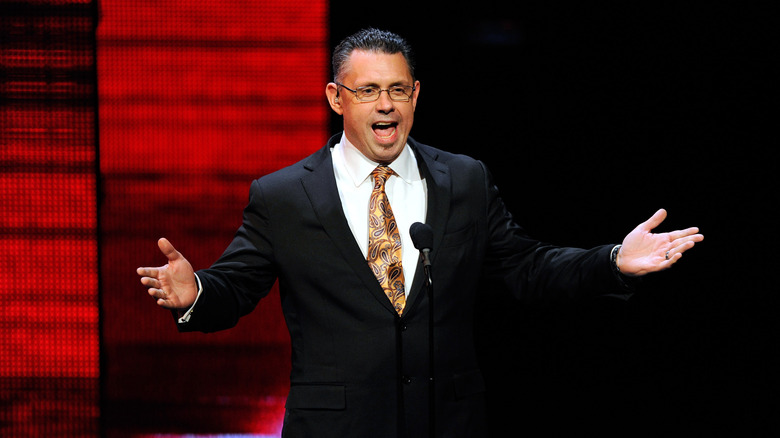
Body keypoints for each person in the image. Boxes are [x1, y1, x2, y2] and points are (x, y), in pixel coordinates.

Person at [137, 28, 703, 438]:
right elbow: (235, 289)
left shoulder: (464, 179)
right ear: (337, 98)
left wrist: (611, 261)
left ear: (414, 95)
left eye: (397, 89)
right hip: (338, 428)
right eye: (367, 91)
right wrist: (197, 294)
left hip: (448, 421)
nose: (385, 105)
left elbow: (525, 268)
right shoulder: (284, 195)